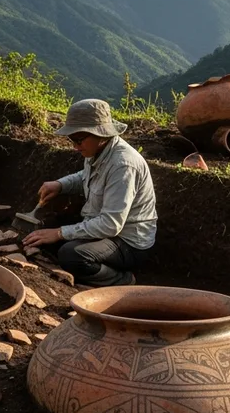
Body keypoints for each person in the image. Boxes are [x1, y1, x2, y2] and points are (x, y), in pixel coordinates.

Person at [23, 99, 156, 286]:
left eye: (79, 140)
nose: (75, 146)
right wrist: (60, 185)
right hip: (100, 226)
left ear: (101, 134)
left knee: (71, 255)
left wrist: (60, 233)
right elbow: (85, 176)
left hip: (127, 242)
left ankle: (121, 279)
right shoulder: (96, 151)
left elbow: (111, 225)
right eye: (72, 139)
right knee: (47, 229)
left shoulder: (123, 165)